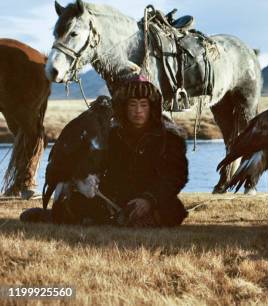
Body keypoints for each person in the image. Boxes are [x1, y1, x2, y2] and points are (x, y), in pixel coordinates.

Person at [21, 76, 189, 227]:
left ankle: (134, 218)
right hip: (116, 195)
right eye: (133, 104)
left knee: (172, 210)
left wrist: (149, 200)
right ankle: (60, 216)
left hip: (153, 196)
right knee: (78, 204)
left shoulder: (169, 136)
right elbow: (99, 166)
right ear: (124, 107)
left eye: (143, 105)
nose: (138, 111)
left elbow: (175, 177)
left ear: (151, 107)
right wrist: (88, 180)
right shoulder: (112, 133)